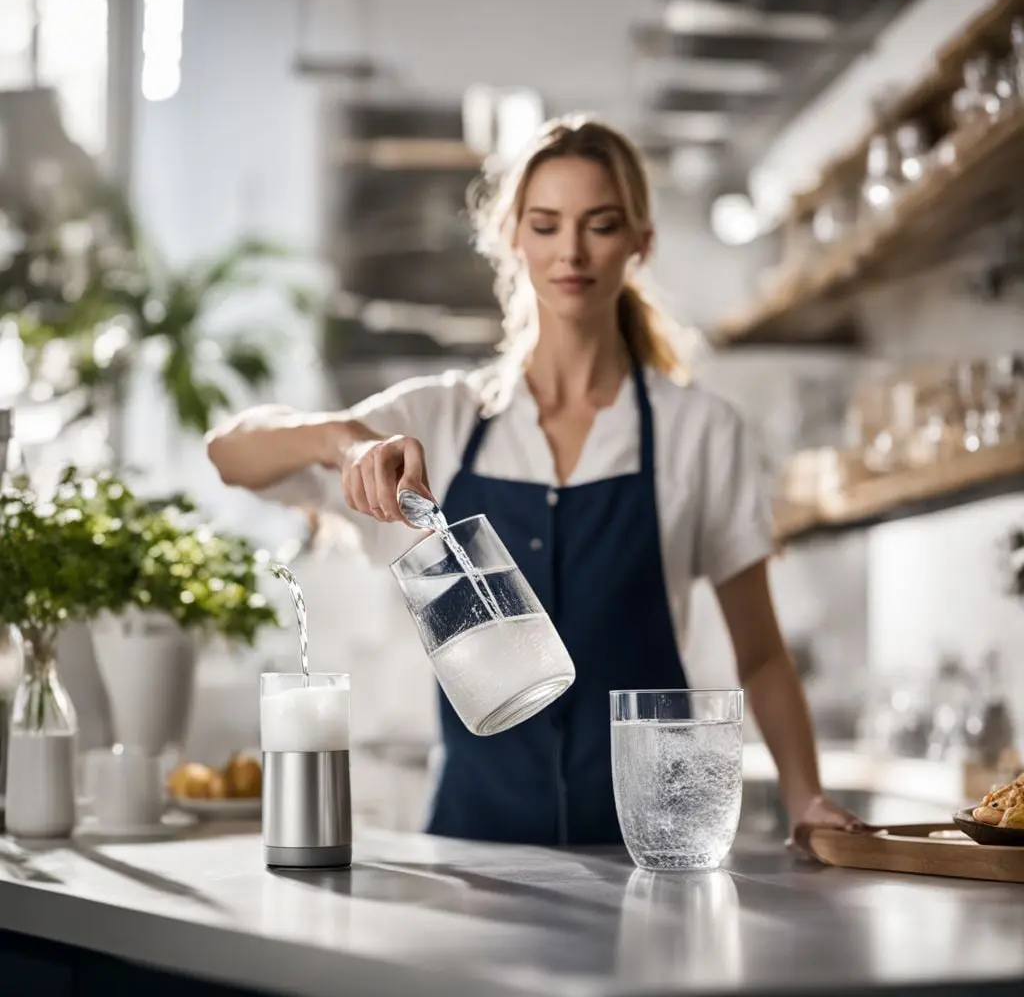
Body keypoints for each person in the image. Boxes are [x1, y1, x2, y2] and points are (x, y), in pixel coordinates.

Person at [207, 114, 861, 849]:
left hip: (643, 849)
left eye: (601, 225)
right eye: (546, 225)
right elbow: (230, 454)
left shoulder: (699, 431)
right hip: (470, 853)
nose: (571, 252)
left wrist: (807, 800)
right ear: (511, 238)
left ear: (641, 242)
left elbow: (763, 653)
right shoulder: (441, 418)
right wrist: (343, 441)